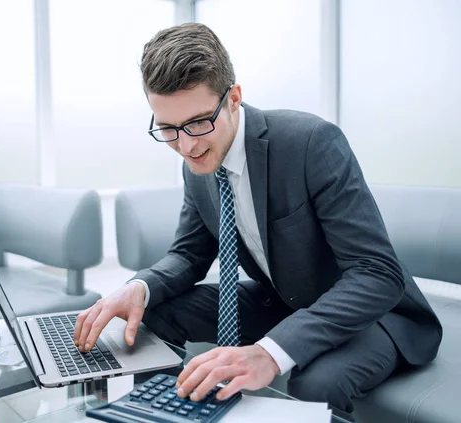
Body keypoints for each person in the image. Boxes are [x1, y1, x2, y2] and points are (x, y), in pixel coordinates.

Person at [73, 23, 442, 418]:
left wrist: (269, 352)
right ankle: (155, 415)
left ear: (234, 98)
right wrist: (138, 288)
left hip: (373, 315)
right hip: (285, 300)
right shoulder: (196, 167)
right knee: (152, 315)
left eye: (198, 123)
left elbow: (377, 272)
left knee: (315, 385)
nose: (186, 146)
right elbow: (187, 255)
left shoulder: (310, 143)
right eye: (168, 128)